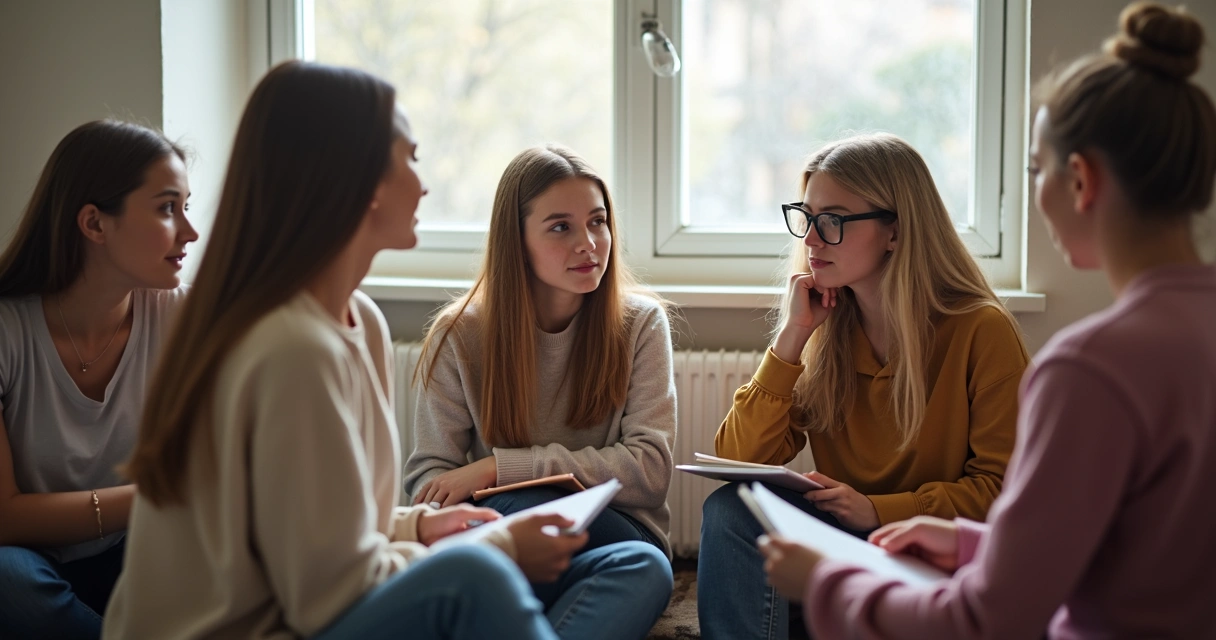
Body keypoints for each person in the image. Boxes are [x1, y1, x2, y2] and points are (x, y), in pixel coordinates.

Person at [761, 2, 1216, 638]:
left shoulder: (1090, 368)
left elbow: (986, 618)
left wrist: (829, 582)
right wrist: (974, 545)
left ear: (1079, 181)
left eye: (1035, 169)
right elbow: (1135, 553)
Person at [103, 61, 577, 640]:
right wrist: (500, 546)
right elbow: (328, 596)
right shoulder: (290, 348)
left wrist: (419, 528)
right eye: (412, 158)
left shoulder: (361, 322)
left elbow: (317, 531)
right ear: (360, 182)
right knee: (474, 575)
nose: (423, 183)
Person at [698, 132, 1029, 640]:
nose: (810, 239)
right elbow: (738, 459)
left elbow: (1003, 494)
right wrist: (790, 341)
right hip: (847, 535)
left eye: (831, 221)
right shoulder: (825, 328)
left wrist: (880, 509)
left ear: (894, 232)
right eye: (806, 218)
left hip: (933, 554)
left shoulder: (981, 330)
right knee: (729, 509)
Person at [404, 144, 676, 640]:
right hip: (507, 528)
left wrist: (499, 467)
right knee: (510, 522)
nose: (589, 243)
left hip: (615, 531)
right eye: (561, 227)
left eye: (598, 222)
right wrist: (497, 501)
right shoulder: (460, 335)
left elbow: (650, 472)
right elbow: (431, 484)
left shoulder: (640, 325)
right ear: (516, 241)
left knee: (648, 567)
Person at [0, 119, 198, 639]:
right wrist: (157, 496)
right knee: (9, 583)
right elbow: (4, 517)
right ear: (93, 223)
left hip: (135, 551)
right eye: (167, 208)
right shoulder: (7, 330)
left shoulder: (180, 315)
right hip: (26, 561)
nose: (190, 232)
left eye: (186, 207)